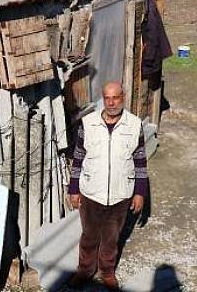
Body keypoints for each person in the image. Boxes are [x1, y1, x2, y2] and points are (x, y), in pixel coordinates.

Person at [67, 81, 149, 290]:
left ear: (123, 98)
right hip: (91, 192)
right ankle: (85, 271)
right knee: (89, 236)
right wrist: (74, 189)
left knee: (112, 238)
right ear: (103, 99)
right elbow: (78, 158)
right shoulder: (88, 123)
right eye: (107, 98)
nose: (112, 103)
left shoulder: (134, 125)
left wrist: (139, 193)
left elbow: (140, 161)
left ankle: (107, 271)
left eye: (116, 98)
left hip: (120, 194)